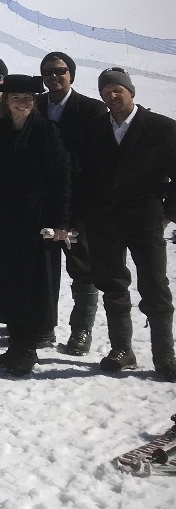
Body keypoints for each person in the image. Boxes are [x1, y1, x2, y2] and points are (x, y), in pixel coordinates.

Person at [74, 68, 176, 381]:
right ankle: (122, 350)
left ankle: (165, 357)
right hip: (104, 221)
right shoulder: (92, 129)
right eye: (106, 92)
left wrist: (168, 212)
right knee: (111, 283)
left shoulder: (161, 127)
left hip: (145, 219)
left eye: (118, 89)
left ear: (131, 92)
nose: (112, 96)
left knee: (155, 285)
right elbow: (82, 175)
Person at [0, 75, 71, 377]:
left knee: (34, 285)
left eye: (28, 97)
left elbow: (61, 179)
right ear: (6, 100)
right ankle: (15, 343)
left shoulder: (47, 132)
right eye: (16, 96)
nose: (22, 102)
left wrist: (59, 223)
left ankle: (27, 348)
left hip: (37, 222)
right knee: (8, 283)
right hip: (4, 221)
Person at [35, 51, 107, 355]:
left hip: (80, 202)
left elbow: (100, 159)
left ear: (71, 74)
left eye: (60, 71)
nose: (54, 76)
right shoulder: (35, 105)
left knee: (82, 266)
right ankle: (44, 326)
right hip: (42, 203)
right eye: (48, 72)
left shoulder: (91, 109)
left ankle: (81, 330)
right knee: (43, 268)